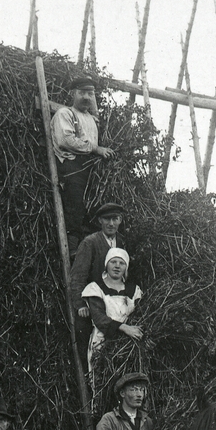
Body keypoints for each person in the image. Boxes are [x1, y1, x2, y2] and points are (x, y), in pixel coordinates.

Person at [50, 75, 112, 249]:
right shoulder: (65, 113)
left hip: (89, 167)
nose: (86, 97)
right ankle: (71, 248)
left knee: (94, 208)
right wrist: (95, 149)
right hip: (71, 165)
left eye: (90, 94)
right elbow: (66, 141)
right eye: (82, 93)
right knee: (75, 205)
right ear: (73, 94)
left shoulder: (92, 119)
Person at [67, 202, 128, 366]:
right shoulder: (90, 243)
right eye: (107, 219)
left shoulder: (123, 242)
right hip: (93, 301)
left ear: (120, 220)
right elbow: (78, 275)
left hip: (116, 299)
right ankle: (88, 378)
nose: (111, 224)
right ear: (100, 220)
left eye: (115, 219)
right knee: (87, 337)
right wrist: (80, 304)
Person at [79, 246, 143, 374]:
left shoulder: (134, 290)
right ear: (106, 265)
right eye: (113, 262)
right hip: (103, 342)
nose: (117, 266)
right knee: (103, 378)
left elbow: (140, 315)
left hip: (128, 343)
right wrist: (125, 328)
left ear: (126, 267)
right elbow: (99, 318)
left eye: (122, 263)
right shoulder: (96, 288)